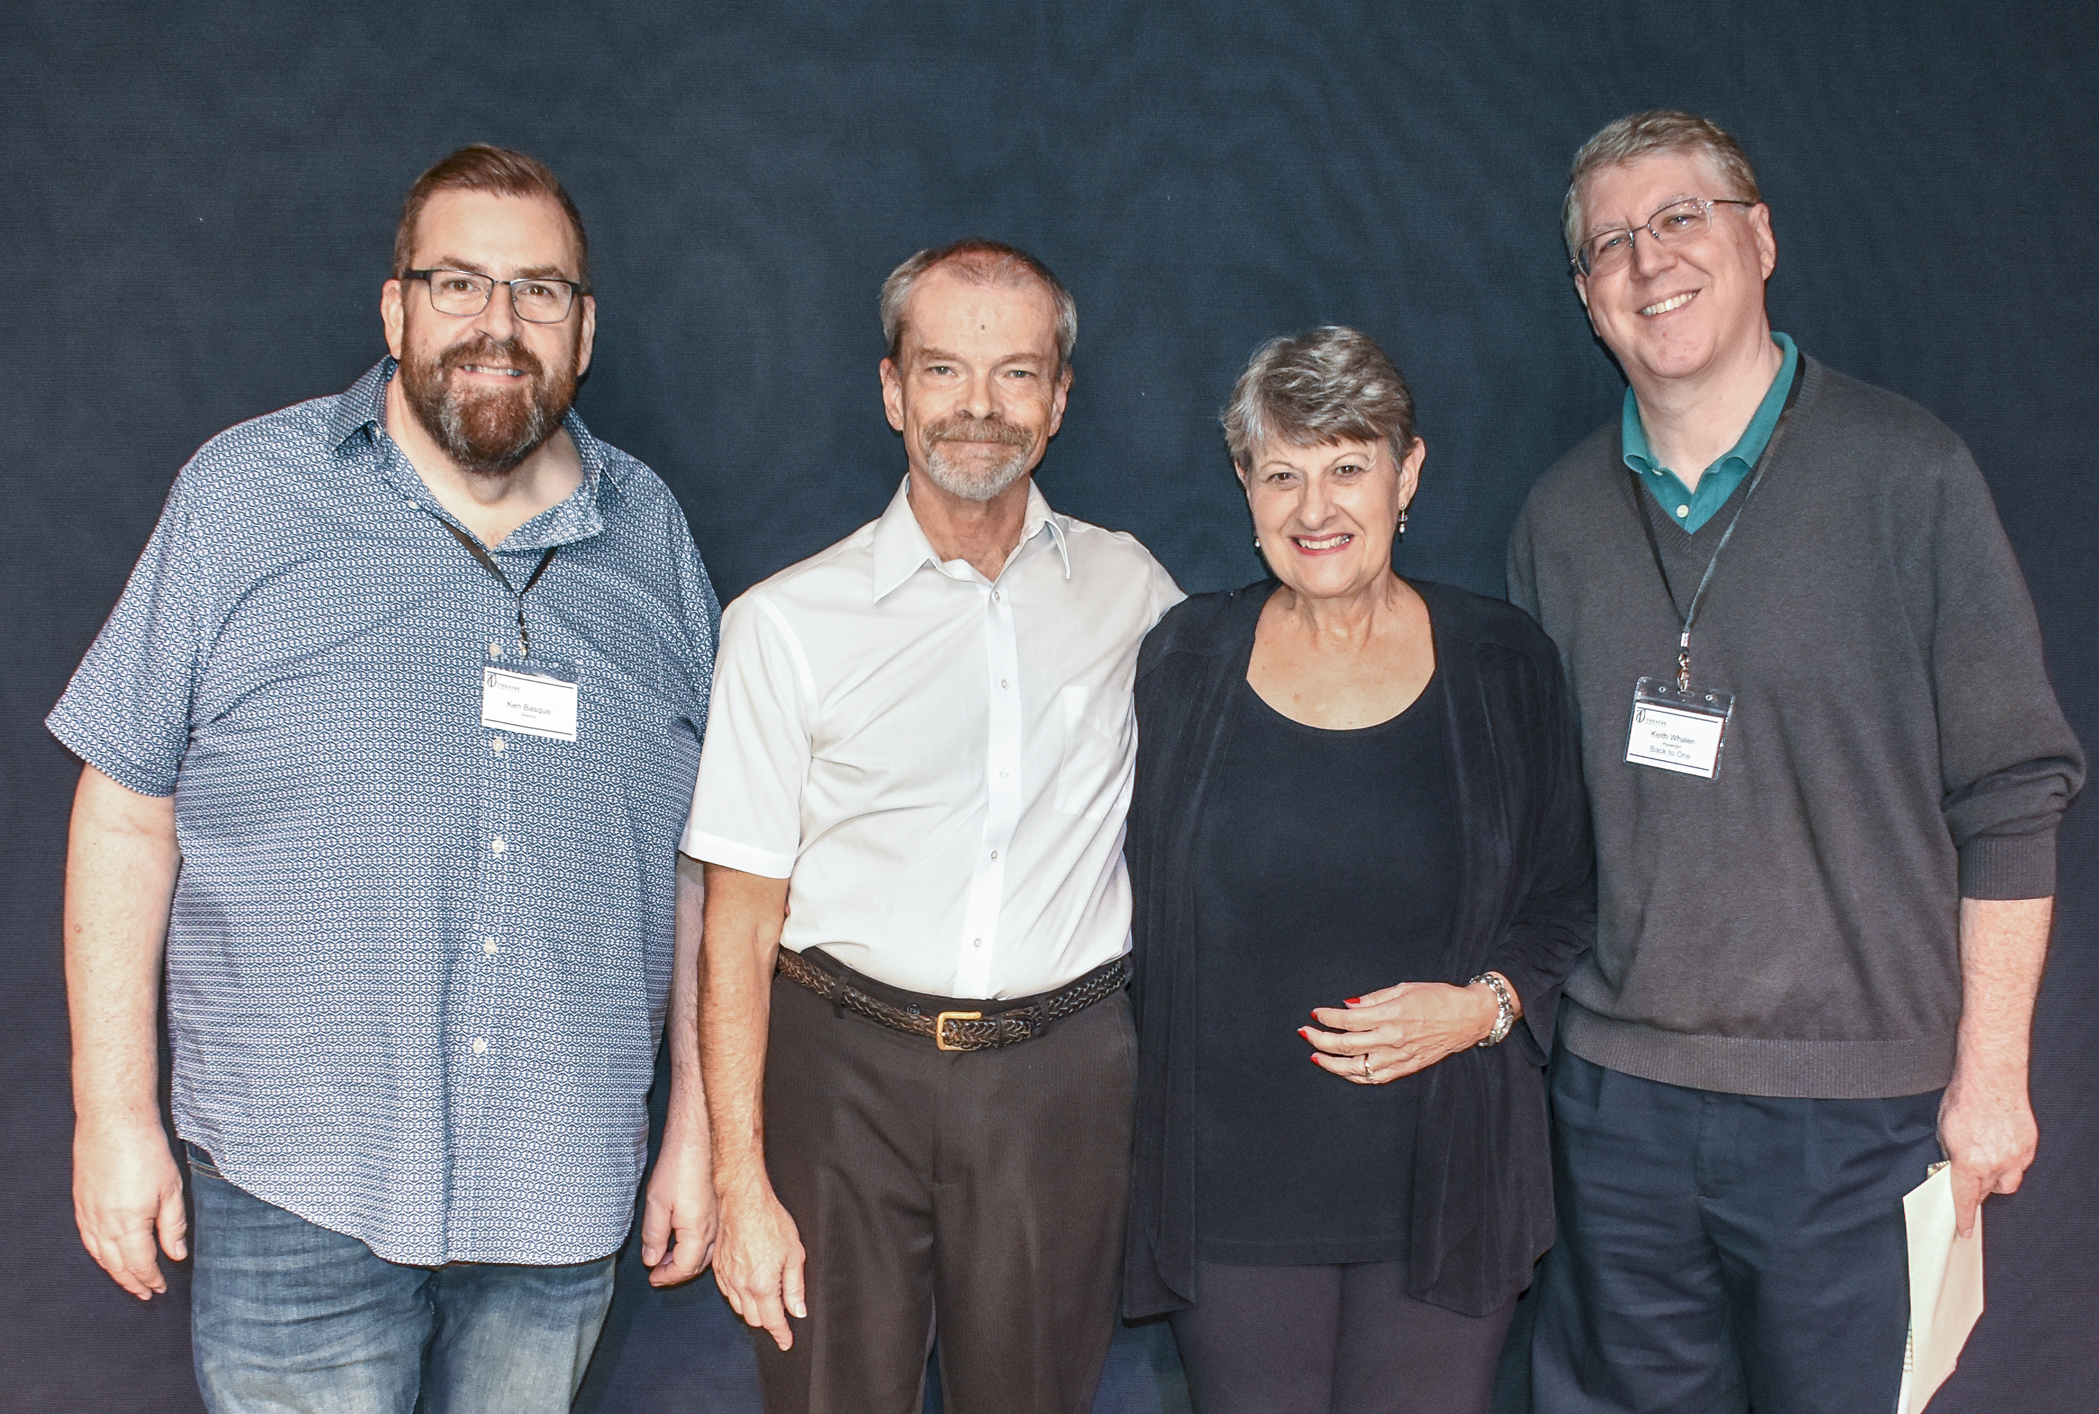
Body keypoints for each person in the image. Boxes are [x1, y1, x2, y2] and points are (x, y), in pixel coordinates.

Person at [49, 145, 721, 1413]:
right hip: (296, 1181)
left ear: (583, 328)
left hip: (558, 1193)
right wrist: (113, 1116)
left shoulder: (657, 544)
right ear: (395, 306)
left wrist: (701, 1124)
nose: (498, 324)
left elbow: (701, 865)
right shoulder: (244, 499)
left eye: (537, 291)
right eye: (459, 282)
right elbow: (128, 809)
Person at [1508, 111, 2086, 1413]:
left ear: (1759, 237)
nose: (1646, 258)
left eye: (1679, 218)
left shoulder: (1909, 478)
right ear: (1587, 299)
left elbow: (2011, 793)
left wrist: (1993, 1075)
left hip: (1855, 1111)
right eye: (1609, 241)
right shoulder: (1554, 523)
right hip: (1619, 1108)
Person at [683, 238, 1181, 1414]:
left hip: (1060, 1085)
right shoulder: (784, 625)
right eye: (945, 369)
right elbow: (736, 928)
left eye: (1015, 374)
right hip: (838, 1080)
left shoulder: (1136, 596)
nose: (978, 407)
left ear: (1059, 401)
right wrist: (738, 1181)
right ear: (893, 388)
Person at [1123, 326, 1597, 1414]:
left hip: (1447, 1179)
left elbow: (1566, 896)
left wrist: (1480, 1010)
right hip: (1231, 1194)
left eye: (1347, 465)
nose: (1314, 506)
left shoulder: (1501, 660)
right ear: (1243, 488)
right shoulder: (1181, 660)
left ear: (1408, 473)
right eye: (1280, 472)